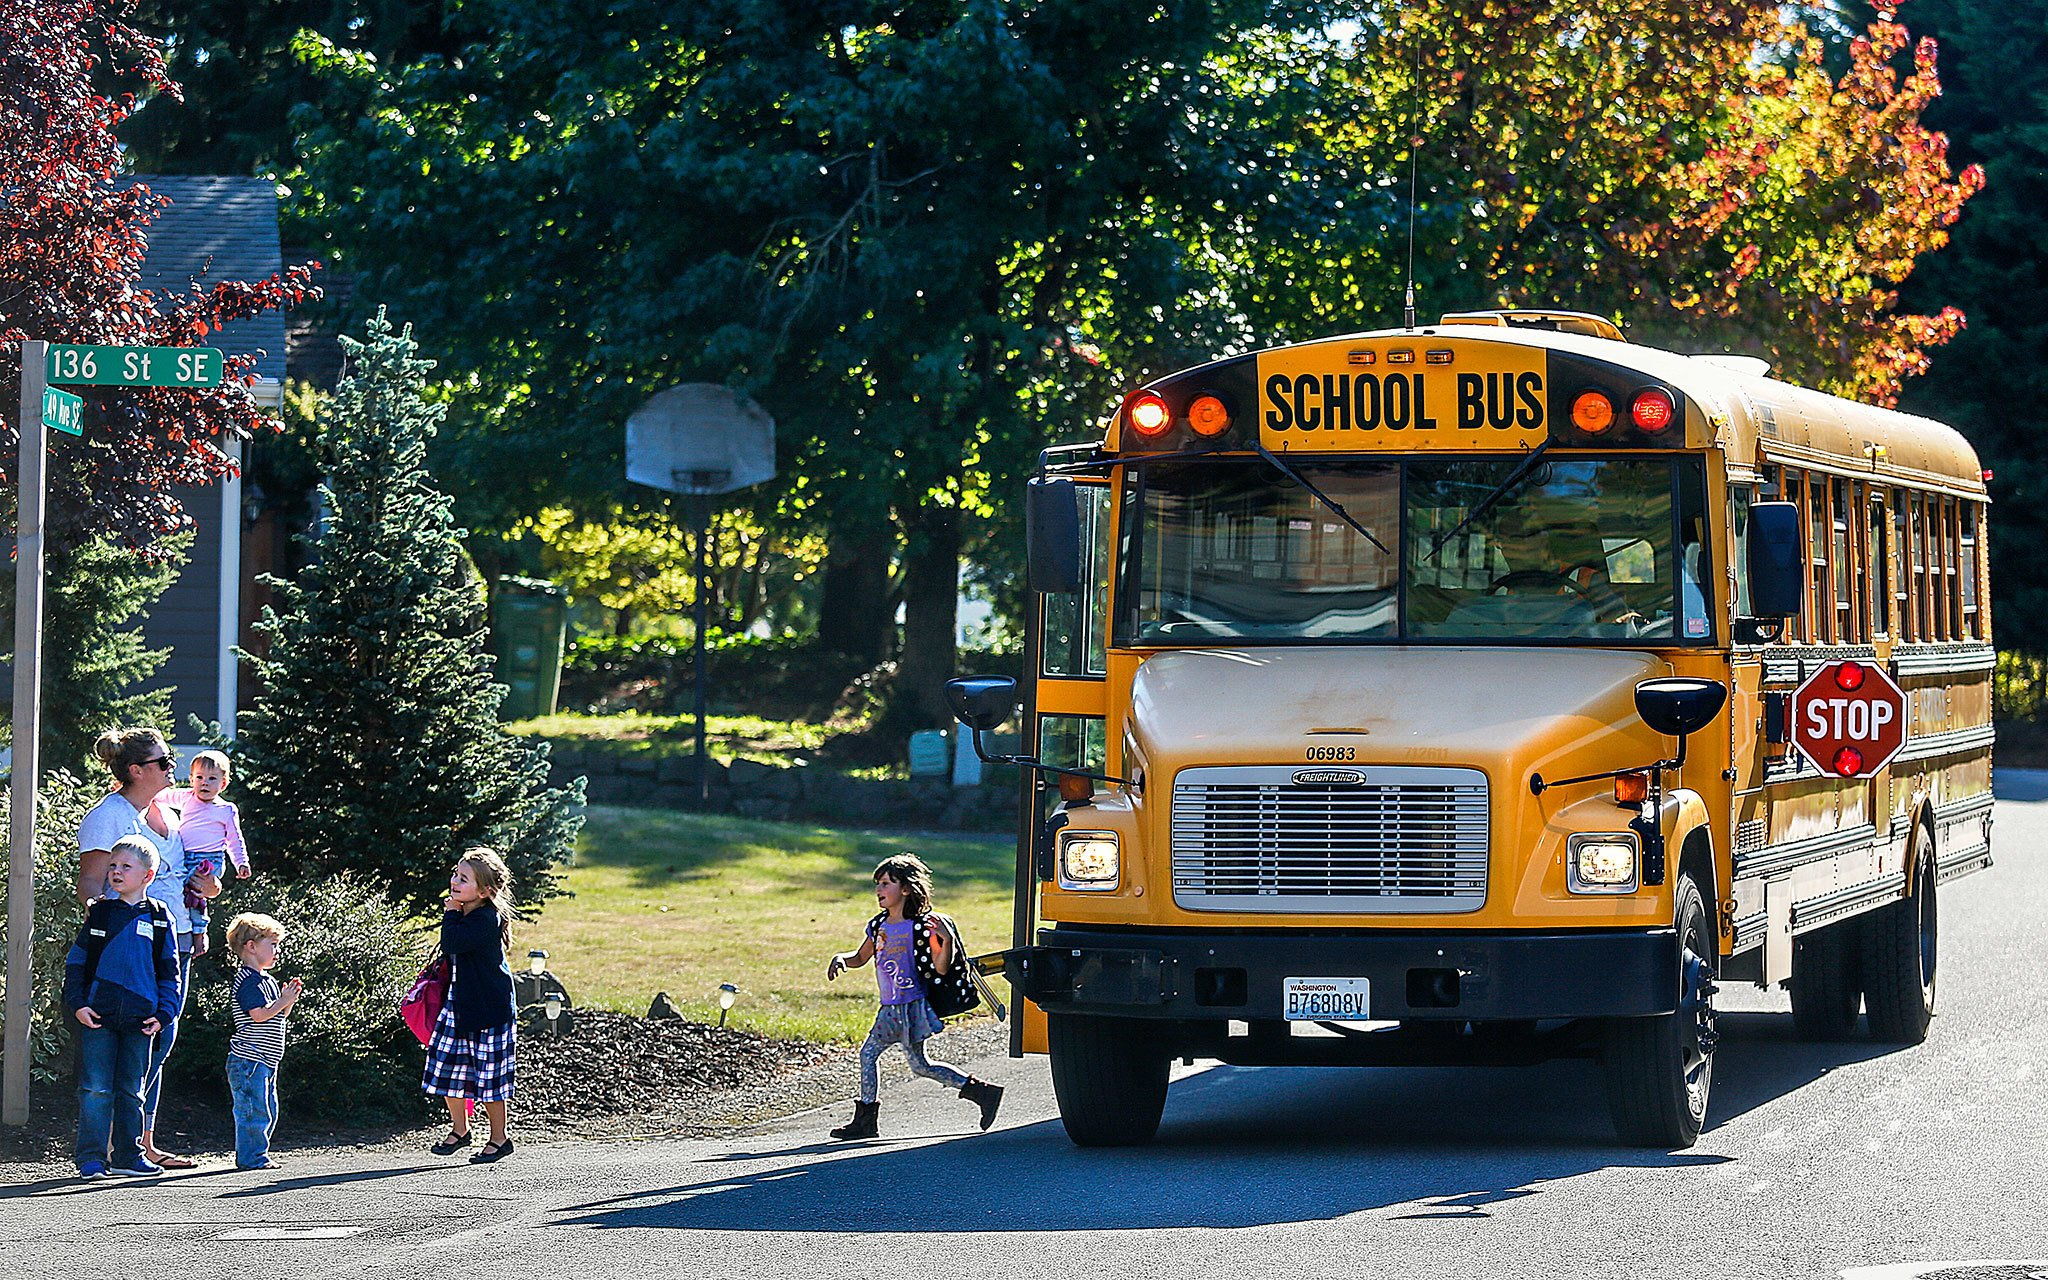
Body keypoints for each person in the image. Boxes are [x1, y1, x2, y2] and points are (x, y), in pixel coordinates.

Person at [77, 727, 197, 1170]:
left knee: (159, 1040)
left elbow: (184, 877)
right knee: (134, 1043)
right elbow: (90, 883)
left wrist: (207, 886)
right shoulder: (108, 816)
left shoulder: (169, 812)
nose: (173, 768)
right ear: (135, 770)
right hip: (130, 942)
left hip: (175, 934)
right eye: (164, 762)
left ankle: (142, 1143)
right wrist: (104, 921)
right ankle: (115, 1145)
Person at [823, 853, 1003, 1140]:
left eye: (885, 884)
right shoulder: (878, 926)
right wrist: (841, 958)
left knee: (870, 1054)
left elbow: (942, 966)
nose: (878, 890)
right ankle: (982, 1092)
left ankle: (866, 1119)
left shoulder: (922, 927)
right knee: (919, 1065)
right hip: (891, 1007)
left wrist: (946, 940)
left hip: (909, 1007)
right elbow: (860, 957)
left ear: (905, 889)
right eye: (877, 885)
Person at [62, 837, 181, 1180]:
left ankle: (129, 1156)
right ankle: (91, 1159)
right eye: (113, 866)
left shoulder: (160, 918)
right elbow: (77, 962)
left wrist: (163, 1014)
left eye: (125, 867)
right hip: (97, 1016)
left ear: (148, 875)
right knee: (95, 1088)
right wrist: (79, 1004)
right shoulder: (100, 912)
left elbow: (169, 973)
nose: (115, 872)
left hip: (140, 1019)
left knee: (132, 1089)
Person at [423, 848, 519, 1164]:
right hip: (460, 1005)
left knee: (489, 1079)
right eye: (455, 875)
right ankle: (461, 1130)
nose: (455, 882)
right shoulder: (467, 914)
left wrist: (450, 913)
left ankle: (499, 1138)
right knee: (449, 1070)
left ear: (485, 891)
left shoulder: (486, 918)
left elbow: (452, 942)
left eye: (463, 879)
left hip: (489, 1010)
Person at [224, 912, 300, 1171]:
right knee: (252, 1110)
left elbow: (277, 1014)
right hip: (249, 1058)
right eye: (273, 944)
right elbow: (258, 1015)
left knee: (267, 1108)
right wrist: (281, 1001)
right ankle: (251, 1157)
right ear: (252, 946)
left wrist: (287, 1000)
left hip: (265, 1059)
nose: (277, 950)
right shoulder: (248, 981)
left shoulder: (265, 980)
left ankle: (258, 1154)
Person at [161, 751, 253, 951]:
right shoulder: (186, 797)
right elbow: (160, 796)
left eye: (212, 779)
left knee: (196, 891)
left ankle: (200, 932)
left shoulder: (226, 810)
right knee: (181, 892)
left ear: (223, 784)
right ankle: (187, 929)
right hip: (184, 856)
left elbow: (234, 840)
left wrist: (241, 862)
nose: (204, 783)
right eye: (199, 778)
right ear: (191, 779)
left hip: (209, 859)